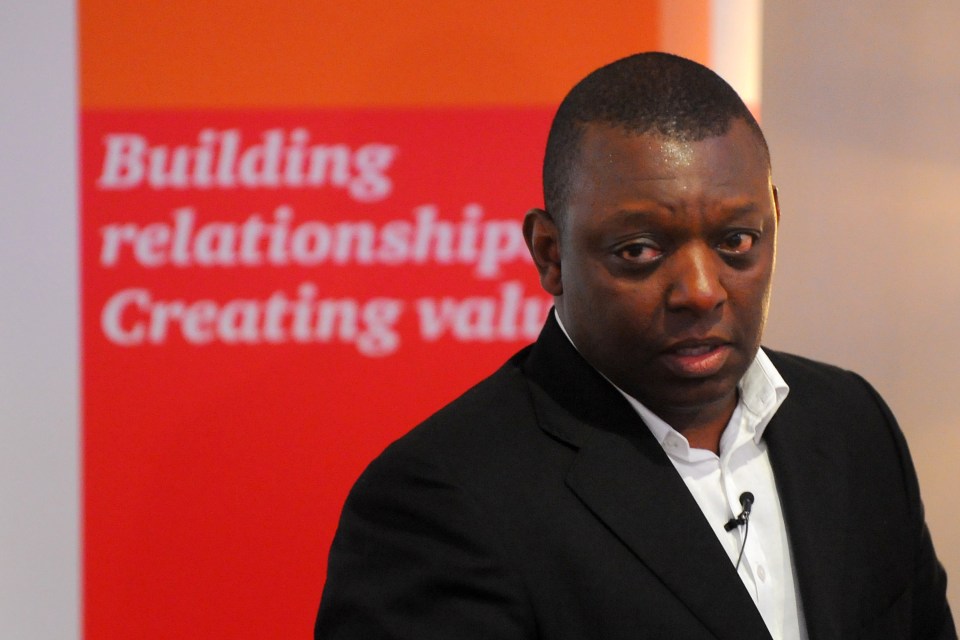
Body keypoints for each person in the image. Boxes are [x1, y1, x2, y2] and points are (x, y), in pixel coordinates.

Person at [315, 52, 955, 639]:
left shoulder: (851, 423)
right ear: (550, 254)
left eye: (736, 241)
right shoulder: (442, 501)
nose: (701, 292)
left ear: (774, 223)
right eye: (640, 251)